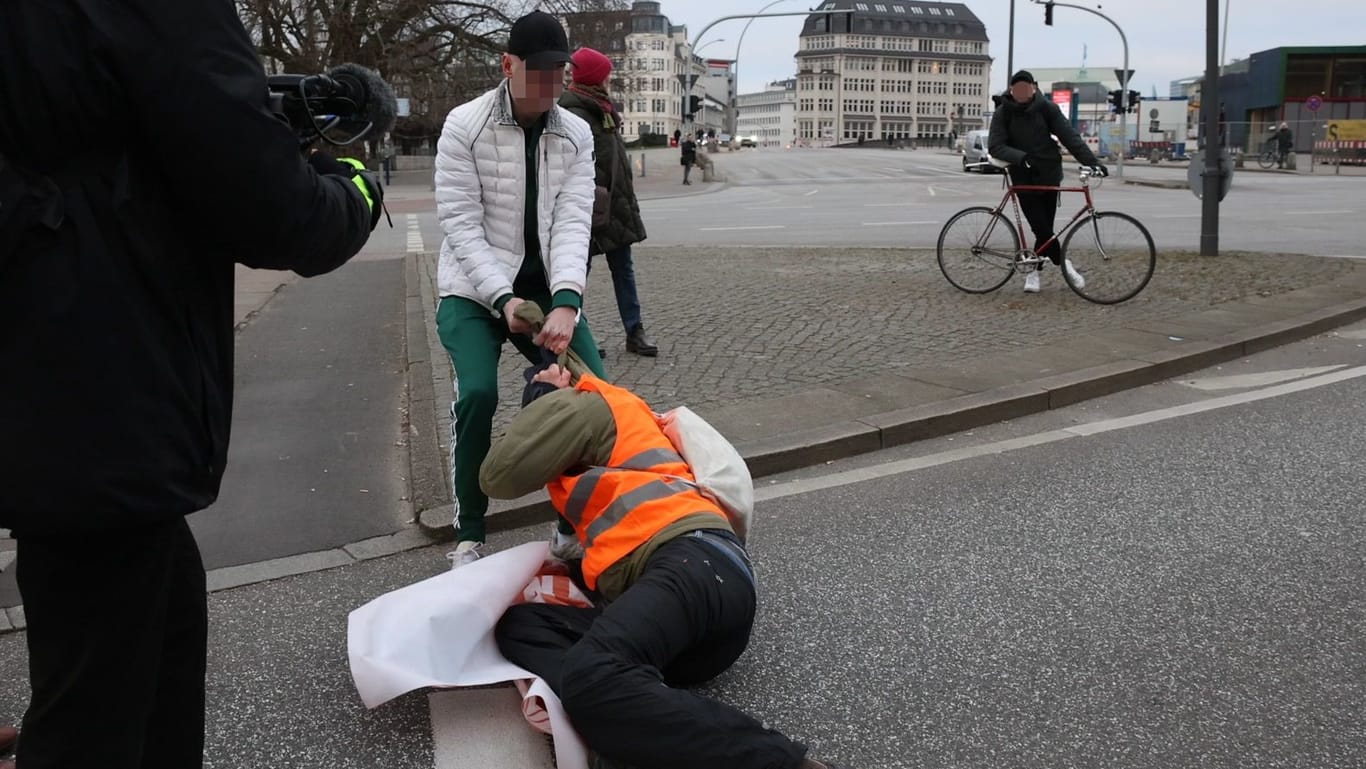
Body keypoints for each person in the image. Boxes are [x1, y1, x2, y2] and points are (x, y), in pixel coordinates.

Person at [0, 2, 381, 767]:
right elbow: (277, 210)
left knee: (145, 630)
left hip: (48, 378)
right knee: (95, 720)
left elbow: (121, 99)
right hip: (103, 390)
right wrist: (354, 180)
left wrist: (270, 99)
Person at [482, 360, 852, 769]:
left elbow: (498, 475)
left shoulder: (585, 405)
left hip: (695, 561)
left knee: (593, 674)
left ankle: (785, 764)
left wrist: (542, 396)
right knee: (522, 625)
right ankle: (623, 718)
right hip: (691, 624)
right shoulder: (604, 435)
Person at [433, 10, 608, 568]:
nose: (548, 89)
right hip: (472, 287)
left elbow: (574, 220)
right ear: (507, 65)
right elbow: (460, 224)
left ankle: (568, 528)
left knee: (593, 395)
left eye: (558, 76)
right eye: (537, 74)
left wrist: (566, 302)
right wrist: (500, 299)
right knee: (479, 393)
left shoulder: (575, 132)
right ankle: (469, 535)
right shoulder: (465, 125)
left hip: (543, 288)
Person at [559, 47, 658, 358]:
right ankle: (577, 334)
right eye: (606, 73)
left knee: (623, 270)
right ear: (595, 77)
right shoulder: (574, 111)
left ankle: (634, 330)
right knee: (576, 272)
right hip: (585, 206)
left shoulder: (602, 107)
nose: (610, 77)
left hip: (613, 206)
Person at [989, 70, 1107, 294]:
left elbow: (1069, 136)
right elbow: (996, 146)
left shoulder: (1047, 108)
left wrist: (1093, 162)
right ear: (1012, 91)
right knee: (1041, 228)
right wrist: (1021, 158)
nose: (1022, 93)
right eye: (1017, 89)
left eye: (1026, 88)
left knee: (1045, 232)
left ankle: (1033, 273)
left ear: (1033, 88)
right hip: (1023, 178)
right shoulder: (1003, 112)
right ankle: (1066, 266)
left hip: (1049, 175)